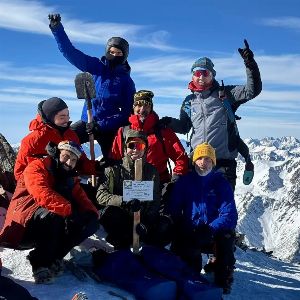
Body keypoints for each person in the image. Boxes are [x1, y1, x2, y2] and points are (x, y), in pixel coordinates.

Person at [160, 40, 262, 190]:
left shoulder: (226, 94)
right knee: (196, 208)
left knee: (221, 207)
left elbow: (252, 90)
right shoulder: (189, 101)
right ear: (192, 76)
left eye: (205, 73)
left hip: (223, 165)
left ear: (212, 75)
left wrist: (250, 64)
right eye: (197, 73)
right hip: (197, 163)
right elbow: (184, 127)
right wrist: (168, 122)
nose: (201, 77)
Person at [0, 141, 99, 284]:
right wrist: (70, 211)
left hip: (49, 222)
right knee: (54, 214)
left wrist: (92, 214)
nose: (69, 162)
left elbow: (81, 197)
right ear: (57, 153)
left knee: (89, 222)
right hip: (23, 228)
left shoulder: (69, 177)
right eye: (66, 156)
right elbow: (42, 193)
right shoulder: (37, 166)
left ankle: (54, 257)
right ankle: (40, 263)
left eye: (73, 160)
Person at [48, 14, 136, 159]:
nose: (114, 55)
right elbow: (70, 52)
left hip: (109, 128)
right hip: (86, 121)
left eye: (119, 53)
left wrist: (102, 125)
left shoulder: (126, 81)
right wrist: (57, 29)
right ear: (107, 52)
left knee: (113, 160)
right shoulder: (96, 67)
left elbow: (127, 113)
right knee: (63, 145)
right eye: (111, 52)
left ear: (124, 56)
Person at [166, 142, 238, 294]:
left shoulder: (221, 183)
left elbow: (229, 214)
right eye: (199, 159)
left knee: (226, 238)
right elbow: (174, 208)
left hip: (213, 231)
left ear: (213, 162)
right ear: (194, 161)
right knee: (188, 267)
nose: (203, 163)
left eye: (207, 159)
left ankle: (223, 278)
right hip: (190, 230)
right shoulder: (185, 182)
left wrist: (210, 228)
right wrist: (182, 227)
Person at [97, 129, 173, 249]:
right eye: (131, 145)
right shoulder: (113, 170)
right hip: (122, 216)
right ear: (125, 148)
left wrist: (147, 221)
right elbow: (101, 196)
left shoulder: (152, 172)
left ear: (145, 149)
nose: (136, 149)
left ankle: (147, 244)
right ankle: (122, 242)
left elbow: (155, 200)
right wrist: (124, 201)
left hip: (143, 217)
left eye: (140, 145)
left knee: (164, 225)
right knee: (109, 213)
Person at [110, 90, 189, 185]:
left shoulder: (163, 131)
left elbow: (180, 157)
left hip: (158, 184)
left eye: (146, 106)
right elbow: (114, 159)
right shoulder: (123, 132)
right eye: (139, 105)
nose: (142, 110)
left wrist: (177, 174)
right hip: (129, 184)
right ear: (133, 107)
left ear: (151, 108)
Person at [14, 97, 103, 181]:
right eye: (62, 117)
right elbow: (20, 173)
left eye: (68, 115)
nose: (67, 119)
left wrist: (99, 167)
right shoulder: (33, 141)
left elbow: (81, 162)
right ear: (50, 118)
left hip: (68, 184)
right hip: (41, 186)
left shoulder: (71, 135)